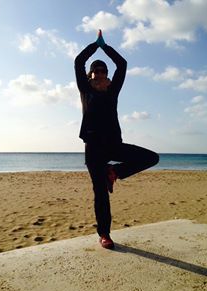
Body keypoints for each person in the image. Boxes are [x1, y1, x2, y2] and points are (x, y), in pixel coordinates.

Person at [74, 30, 159, 249]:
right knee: (100, 193)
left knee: (151, 157)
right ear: (90, 75)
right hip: (93, 149)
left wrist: (106, 47)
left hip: (113, 145)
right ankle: (105, 235)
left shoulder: (113, 91)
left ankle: (115, 172)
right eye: (96, 71)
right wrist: (95, 45)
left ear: (107, 76)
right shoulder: (85, 90)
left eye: (103, 71)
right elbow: (78, 61)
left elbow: (122, 64)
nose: (100, 73)